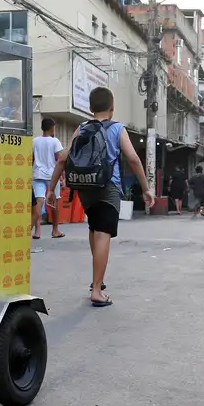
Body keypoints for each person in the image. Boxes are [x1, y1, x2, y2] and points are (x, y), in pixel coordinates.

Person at [48, 86, 153, 307]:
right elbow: (133, 159)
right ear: (112, 108)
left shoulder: (82, 127)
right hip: (107, 186)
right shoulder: (117, 128)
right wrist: (146, 189)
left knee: (95, 229)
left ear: (90, 107)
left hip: (85, 187)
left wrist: (51, 188)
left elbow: (62, 159)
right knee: (103, 233)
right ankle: (96, 289)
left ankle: (98, 280)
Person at [31, 117, 65, 240]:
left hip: (37, 174)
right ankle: (55, 230)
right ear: (52, 128)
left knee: (38, 203)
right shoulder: (55, 141)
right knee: (54, 203)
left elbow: (32, 159)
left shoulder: (34, 141)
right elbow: (60, 160)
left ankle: (37, 231)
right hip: (52, 176)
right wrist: (63, 178)